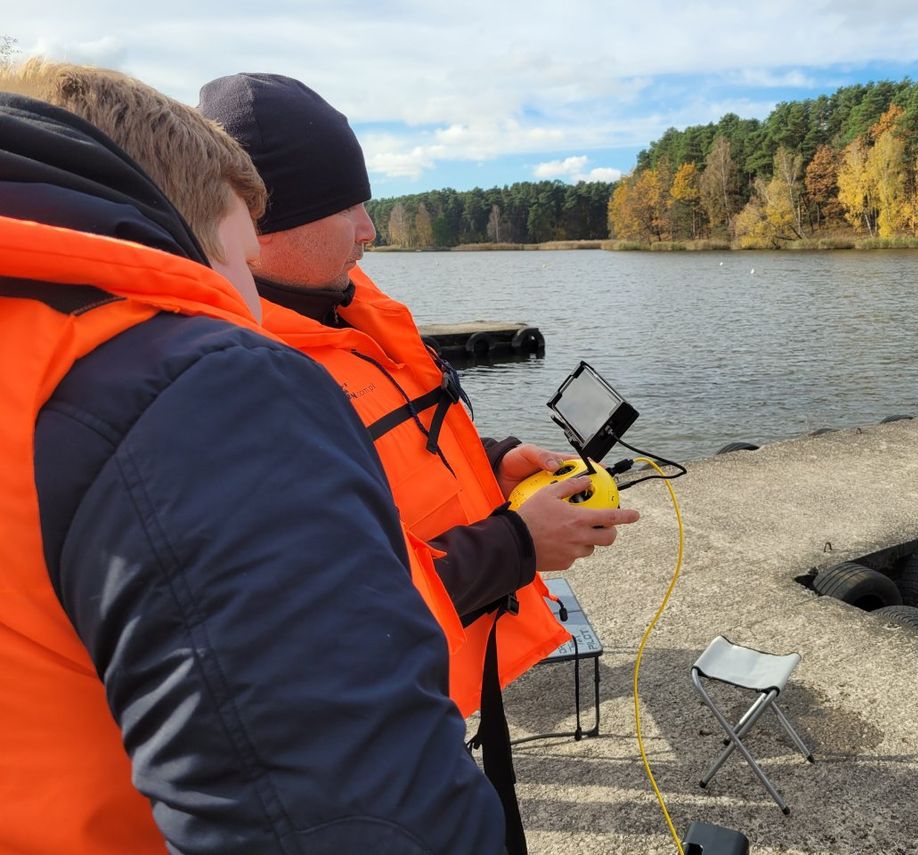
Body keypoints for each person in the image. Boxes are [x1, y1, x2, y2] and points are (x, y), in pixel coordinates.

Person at [0, 62, 504, 855]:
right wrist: (513, 547)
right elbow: (349, 818)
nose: (245, 304)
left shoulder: (29, 353)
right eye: (237, 259)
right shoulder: (198, 387)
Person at [200, 73, 640, 853]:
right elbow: (341, 611)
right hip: (357, 746)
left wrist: (494, 459)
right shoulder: (238, 382)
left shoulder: (335, 303)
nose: (370, 229)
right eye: (351, 206)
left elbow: (392, 440)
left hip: (441, 689)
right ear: (263, 222)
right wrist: (519, 545)